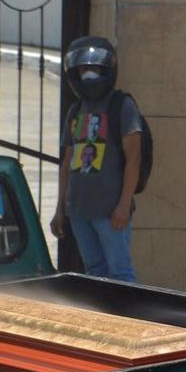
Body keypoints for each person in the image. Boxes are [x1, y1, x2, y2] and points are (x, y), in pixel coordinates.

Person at [50, 36, 144, 283]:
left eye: (94, 68)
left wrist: (124, 205)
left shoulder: (121, 106)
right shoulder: (75, 110)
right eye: (82, 69)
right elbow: (68, 161)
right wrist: (61, 207)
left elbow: (134, 159)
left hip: (110, 211)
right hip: (80, 211)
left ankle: (126, 321)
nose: (88, 74)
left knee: (120, 272)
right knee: (95, 273)